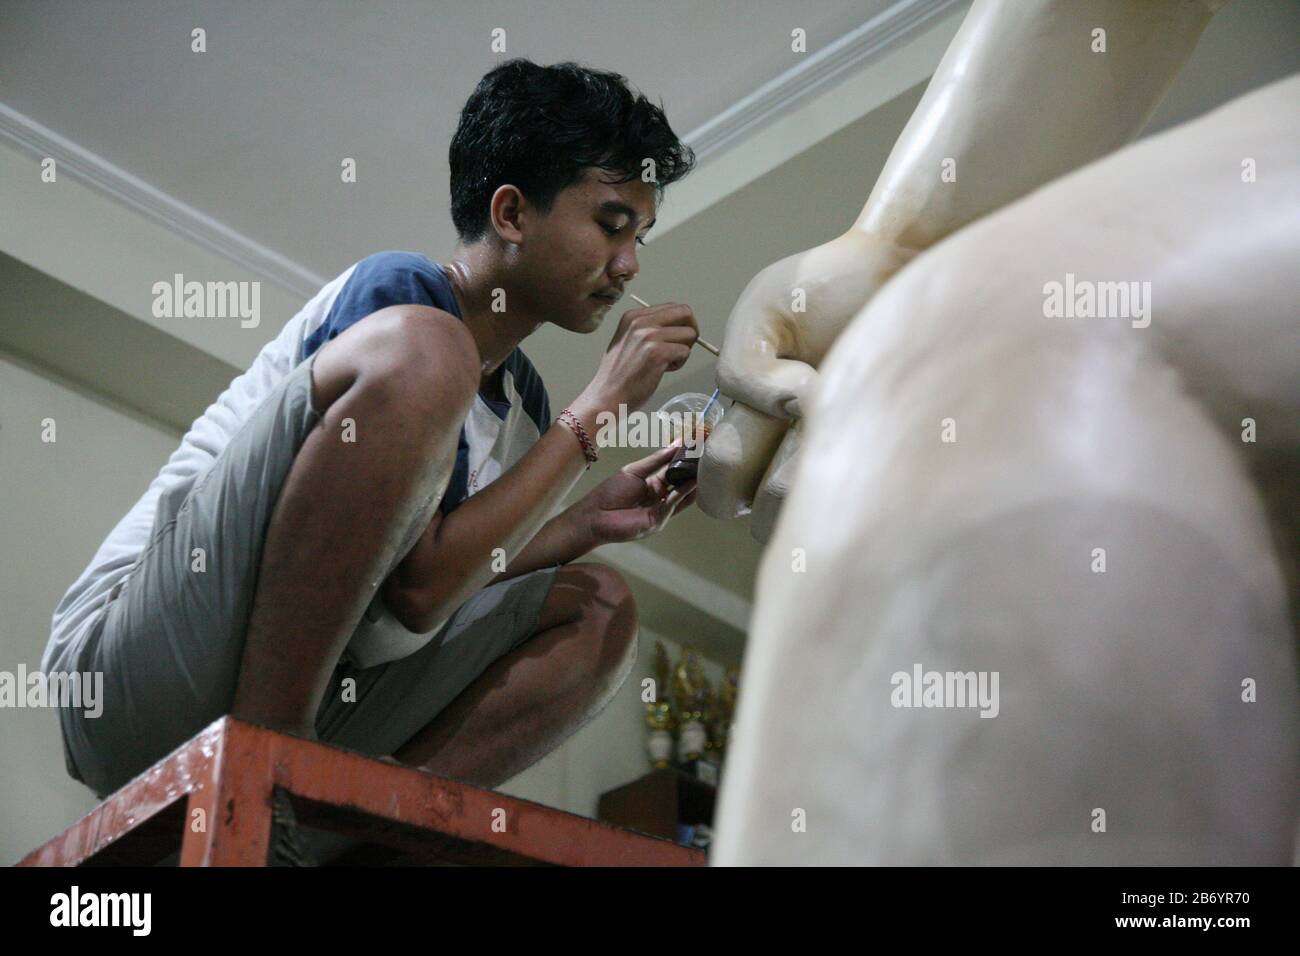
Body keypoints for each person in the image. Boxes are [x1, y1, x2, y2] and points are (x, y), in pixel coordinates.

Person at [43, 58, 702, 803]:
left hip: (324, 690)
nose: (629, 263)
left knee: (601, 608)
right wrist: (604, 405)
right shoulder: (404, 302)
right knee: (429, 352)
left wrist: (585, 519)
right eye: (612, 226)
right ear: (512, 215)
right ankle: (272, 775)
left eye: (641, 235)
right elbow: (416, 591)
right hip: (137, 675)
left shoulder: (525, 407)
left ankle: (351, 827)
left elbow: (426, 585)